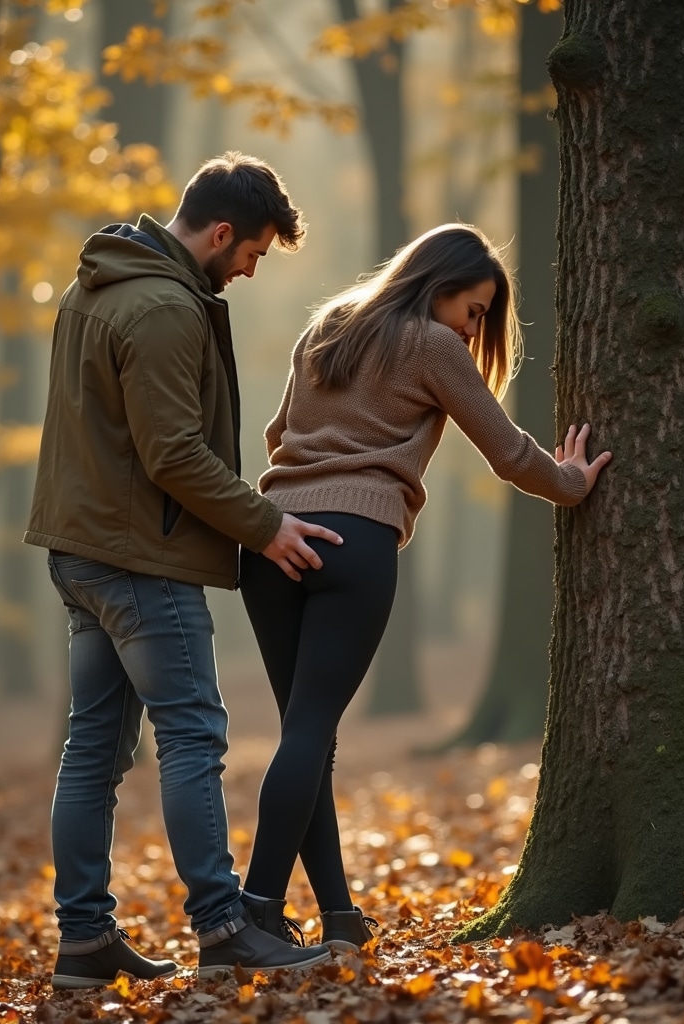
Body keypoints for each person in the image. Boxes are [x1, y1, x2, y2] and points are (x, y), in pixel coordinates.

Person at [236, 223, 613, 953]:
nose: (475, 331)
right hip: (356, 541)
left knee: (305, 734)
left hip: (274, 541)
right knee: (311, 732)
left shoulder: (328, 325)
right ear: (437, 286)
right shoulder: (431, 345)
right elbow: (507, 452)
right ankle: (254, 911)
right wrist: (571, 483)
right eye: (473, 311)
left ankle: (338, 915)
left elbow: (278, 433)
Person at [24, 152, 340, 988]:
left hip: (84, 549)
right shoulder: (165, 308)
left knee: (92, 750)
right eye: (253, 254)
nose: (248, 269)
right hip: (140, 559)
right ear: (223, 231)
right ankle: (224, 925)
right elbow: (172, 454)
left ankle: (85, 941)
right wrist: (265, 525)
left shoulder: (98, 286)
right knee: (192, 736)